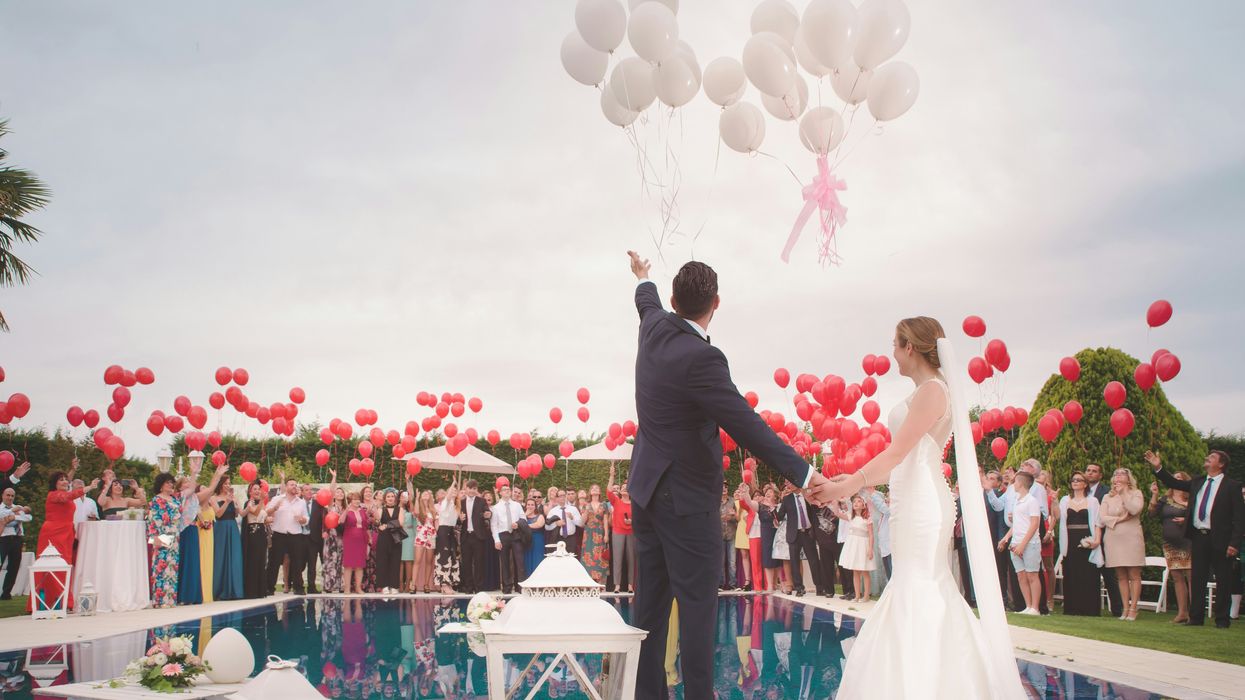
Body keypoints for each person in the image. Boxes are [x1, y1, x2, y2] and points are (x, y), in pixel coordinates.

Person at [626, 253, 829, 700]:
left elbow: (645, 300)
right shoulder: (703, 357)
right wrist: (804, 471)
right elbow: (746, 424)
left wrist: (644, 276)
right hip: (685, 501)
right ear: (715, 302)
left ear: (674, 299)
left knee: (650, 611)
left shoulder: (653, 326)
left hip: (645, 494)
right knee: (697, 610)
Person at [822, 318, 1024, 698]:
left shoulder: (933, 390)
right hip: (908, 499)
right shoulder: (927, 391)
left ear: (910, 347)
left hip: (922, 505)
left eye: (895, 345)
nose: (892, 353)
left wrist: (845, 484)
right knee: (913, 584)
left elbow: (898, 453)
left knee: (922, 585)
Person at [1146, 449, 1245, 628]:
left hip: (1221, 539)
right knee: (1198, 578)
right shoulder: (1198, 482)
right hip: (1199, 537)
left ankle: (1222, 619)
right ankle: (1196, 618)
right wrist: (1158, 467)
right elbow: (1173, 482)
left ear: (1221, 464)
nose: (1207, 458)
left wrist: (1234, 544)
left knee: (1223, 579)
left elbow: (1239, 518)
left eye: (1212, 457)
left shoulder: (1232, 486)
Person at [1098, 468, 1145, 621]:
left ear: (1128, 477)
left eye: (1121, 474)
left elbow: (1135, 509)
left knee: (1134, 573)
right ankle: (1124, 607)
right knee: (1120, 575)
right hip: (1113, 538)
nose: (1118, 476)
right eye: (1115, 474)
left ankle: (1133, 608)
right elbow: (1103, 517)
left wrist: (1124, 493)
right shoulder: (1107, 496)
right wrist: (1119, 519)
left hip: (1131, 537)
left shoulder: (1136, 493)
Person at [1056, 471, 1103, 616]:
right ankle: (1072, 608)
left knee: (1088, 573)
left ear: (1085, 484)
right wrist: (1053, 501)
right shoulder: (1064, 500)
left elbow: (1098, 522)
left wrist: (1097, 540)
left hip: (1087, 538)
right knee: (1071, 573)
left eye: (1079, 480)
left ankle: (1089, 608)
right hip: (1070, 540)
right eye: (1073, 480)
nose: (1075, 482)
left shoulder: (1093, 501)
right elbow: (1058, 518)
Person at [1148, 470, 1192, 623]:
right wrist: (1154, 494)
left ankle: (1195, 613)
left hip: (1188, 542)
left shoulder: (1192, 498)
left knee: (1191, 577)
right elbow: (1152, 514)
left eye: (1179, 477)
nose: (1176, 479)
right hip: (1170, 543)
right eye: (1174, 478)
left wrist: (1186, 521)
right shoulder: (1166, 498)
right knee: (1177, 577)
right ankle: (1182, 613)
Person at [999, 471, 1042, 615]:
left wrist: (1023, 544)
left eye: (1015, 481)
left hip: (1030, 543)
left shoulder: (1032, 501)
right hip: (1015, 542)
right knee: (1021, 575)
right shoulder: (1017, 500)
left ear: (1021, 483)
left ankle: (1035, 607)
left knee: (1032, 575)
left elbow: (1034, 524)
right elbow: (1016, 524)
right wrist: (1006, 538)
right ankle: (1028, 605)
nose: (1013, 484)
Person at [1085, 463, 1124, 617]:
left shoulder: (1107, 492)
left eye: (1094, 471)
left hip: (1104, 537)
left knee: (1108, 574)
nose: (1090, 473)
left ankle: (1117, 608)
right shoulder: (1080, 490)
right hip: (1085, 536)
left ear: (1100, 475)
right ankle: (1089, 605)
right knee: (1088, 574)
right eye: (1088, 470)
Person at [778, 481, 823, 596]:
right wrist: (771, 509)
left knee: (813, 561)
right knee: (794, 562)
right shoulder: (787, 499)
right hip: (794, 534)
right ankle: (799, 588)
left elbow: (815, 511)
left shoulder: (807, 495)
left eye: (791, 483)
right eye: (788, 484)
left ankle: (819, 586)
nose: (789, 485)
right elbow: (779, 516)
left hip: (808, 532)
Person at [265, 477, 309, 595]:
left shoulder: (301, 502)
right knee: (273, 562)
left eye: (296, 485)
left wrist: (302, 519)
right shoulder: (277, 499)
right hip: (279, 534)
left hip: (295, 534)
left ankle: (298, 588)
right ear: (286, 487)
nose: (294, 486)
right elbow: (265, 512)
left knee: (297, 562)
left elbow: (306, 518)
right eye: (292, 485)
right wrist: (274, 508)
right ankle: (269, 588)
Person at [148, 473, 182, 608]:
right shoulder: (156, 500)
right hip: (162, 534)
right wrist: (154, 537)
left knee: (172, 566)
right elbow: (152, 519)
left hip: (175, 535)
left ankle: (170, 598)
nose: (170, 485)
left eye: (171, 482)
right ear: (161, 485)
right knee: (160, 566)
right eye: (167, 482)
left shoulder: (175, 500)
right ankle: (159, 599)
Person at [210, 477, 244, 601]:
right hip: (221, 527)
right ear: (220, 485)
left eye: (229, 483)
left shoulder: (233, 497)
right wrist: (226, 502)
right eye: (226, 484)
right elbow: (218, 514)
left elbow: (238, 514)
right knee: (221, 557)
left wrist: (235, 503)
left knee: (234, 557)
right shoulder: (213, 498)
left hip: (232, 526)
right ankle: (219, 590)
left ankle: (235, 590)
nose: (228, 486)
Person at [838, 495, 875, 603]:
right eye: (854, 502)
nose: (856, 503)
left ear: (863, 505)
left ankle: (866, 596)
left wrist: (870, 549)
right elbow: (837, 514)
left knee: (864, 571)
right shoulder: (851, 516)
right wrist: (835, 503)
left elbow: (871, 535)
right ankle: (857, 595)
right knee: (856, 571)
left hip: (863, 545)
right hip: (853, 546)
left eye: (859, 501)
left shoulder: (867, 518)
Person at [491, 485, 526, 594]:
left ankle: (520, 586)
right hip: (503, 535)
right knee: (505, 562)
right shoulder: (496, 507)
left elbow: (523, 518)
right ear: (500, 493)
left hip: (515, 534)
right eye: (504, 490)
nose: (507, 491)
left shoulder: (517, 505)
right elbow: (494, 525)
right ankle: (507, 586)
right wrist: (496, 540)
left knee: (519, 561)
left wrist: (518, 524)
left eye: (508, 490)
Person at [0, 488, 32, 600]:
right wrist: (13, 511)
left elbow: (28, 517)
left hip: (17, 538)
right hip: (3, 539)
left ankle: (6, 593)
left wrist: (14, 516)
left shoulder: (18, 507)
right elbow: (1, 516)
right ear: (3, 495)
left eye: (12, 496)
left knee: (14, 567)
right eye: (7, 495)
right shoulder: (4, 508)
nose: (10, 498)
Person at [458, 480, 489, 594]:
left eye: (474, 489)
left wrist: (487, 514)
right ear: (466, 489)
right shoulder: (461, 502)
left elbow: (487, 512)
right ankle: (468, 587)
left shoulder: (481, 501)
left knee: (479, 563)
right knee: (466, 562)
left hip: (478, 536)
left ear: (477, 490)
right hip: (466, 536)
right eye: (470, 488)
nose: (471, 491)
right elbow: (456, 519)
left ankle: (479, 587)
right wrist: (459, 519)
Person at [607, 465, 635, 592]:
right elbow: (608, 491)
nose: (624, 488)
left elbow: (640, 519)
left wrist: (632, 521)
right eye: (622, 487)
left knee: (631, 559)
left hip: (631, 532)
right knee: (617, 559)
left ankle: (630, 585)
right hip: (618, 532)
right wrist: (612, 475)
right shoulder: (616, 501)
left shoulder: (635, 504)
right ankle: (617, 585)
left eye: (626, 487)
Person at [240, 481, 268, 599]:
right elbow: (255, 512)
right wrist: (262, 500)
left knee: (262, 560)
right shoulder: (249, 503)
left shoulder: (260, 503)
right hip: (253, 533)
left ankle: (260, 590)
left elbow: (263, 517)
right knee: (254, 561)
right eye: (255, 489)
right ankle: (251, 591)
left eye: (258, 489)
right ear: (250, 492)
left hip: (261, 532)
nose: (257, 491)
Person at [375, 488, 403, 593]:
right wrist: (378, 521)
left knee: (395, 561)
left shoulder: (400, 509)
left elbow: (400, 523)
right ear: (385, 499)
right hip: (384, 538)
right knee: (383, 561)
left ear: (395, 498)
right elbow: (377, 522)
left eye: (392, 496)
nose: (390, 498)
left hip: (396, 537)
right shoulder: (381, 509)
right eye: (388, 496)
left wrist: (386, 525)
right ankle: (384, 586)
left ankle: (394, 586)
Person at [580, 484, 610, 584]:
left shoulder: (604, 504)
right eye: (592, 488)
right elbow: (582, 522)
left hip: (600, 533)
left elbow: (605, 520)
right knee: (588, 557)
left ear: (599, 492)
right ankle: (588, 584)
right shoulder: (586, 505)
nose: (594, 489)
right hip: (588, 533)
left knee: (600, 557)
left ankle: (601, 584)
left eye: (597, 488)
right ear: (590, 492)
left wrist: (606, 534)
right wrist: (585, 511)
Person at [434, 482, 460, 594]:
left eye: (455, 490)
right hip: (443, 531)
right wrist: (453, 483)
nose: (453, 492)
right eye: (452, 490)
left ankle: (449, 582)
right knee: (443, 557)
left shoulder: (455, 506)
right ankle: (443, 584)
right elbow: (449, 496)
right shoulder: (445, 503)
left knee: (452, 557)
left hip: (451, 532)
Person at [322, 474, 346, 594]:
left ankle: (341, 585)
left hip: (343, 538)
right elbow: (331, 491)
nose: (340, 494)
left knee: (341, 561)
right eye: (338, 492)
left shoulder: (346, 508)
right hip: (331, 537)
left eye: (342, 492)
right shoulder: (331, 506)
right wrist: (334, 478)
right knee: (331, 560)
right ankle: (329, 585)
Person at [342, 491, 369, 594]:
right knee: (348, 564)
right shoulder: (347, 510)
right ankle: (347, 588)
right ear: (350, 501)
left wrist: (368, 538)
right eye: (354, 499)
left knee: (359, 564)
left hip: (361, 539)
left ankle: (358, 588)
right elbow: (340, 521)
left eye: (358, 499)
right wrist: (346, 510)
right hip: (349, 539)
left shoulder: (362, 511)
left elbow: (366, 525)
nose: (357, 501)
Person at [412, 488, 437, 593]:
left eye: (428, 493)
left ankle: (426, 584)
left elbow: (436, 523)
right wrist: (417, 498)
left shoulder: (433, 509)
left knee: (429, 561)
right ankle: (413, 584)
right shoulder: (419, 507)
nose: (426, 494)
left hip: (431, 536)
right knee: (417, 560)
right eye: (424, 493)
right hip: (421, 535)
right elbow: (416, 512)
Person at [543, 489, 582, 557]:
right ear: (557, 498)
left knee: (571, 559)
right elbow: (547, 527)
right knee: (559, 560)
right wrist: (556, 524)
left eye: (564, 495)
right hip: (558, 539)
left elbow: (580, 524)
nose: (563, 497)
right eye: (560, 496)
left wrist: (572, 518)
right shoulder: (553, 511)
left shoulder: (573, 509)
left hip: (571, 538)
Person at [306, 483, 325, 594]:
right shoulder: (300, 504)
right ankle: (311, 587)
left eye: (311, 490)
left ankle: (327, 586)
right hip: (308, 539)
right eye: (307, 490)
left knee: (325, 563)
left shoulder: (319, 504)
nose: (310, 492)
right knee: (311, 564)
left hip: (321, 538)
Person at [718, 484, 737, 591]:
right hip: (719, 534)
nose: (724, 488)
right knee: (721, 561)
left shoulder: (733, 501)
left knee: (732, 562)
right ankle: (720, 584)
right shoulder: (715, 502)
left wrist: (733, 516)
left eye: (725, 487)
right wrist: (722, 517)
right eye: (722, 486)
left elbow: (738, 518)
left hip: (732, 533)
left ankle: (733, 584)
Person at [523, 497, 546, 577]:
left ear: (535, 506)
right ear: (526, 506)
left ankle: (538, 579)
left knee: (537, 559)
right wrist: (525, 515)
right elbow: (518, 524)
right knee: (527, 559)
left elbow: (539, 524)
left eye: (532, 505)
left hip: (537, 540)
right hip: (525, 541)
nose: (530, 506)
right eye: (528, 504)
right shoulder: (522, 516)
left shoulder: (540, 516)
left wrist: (525, 526)